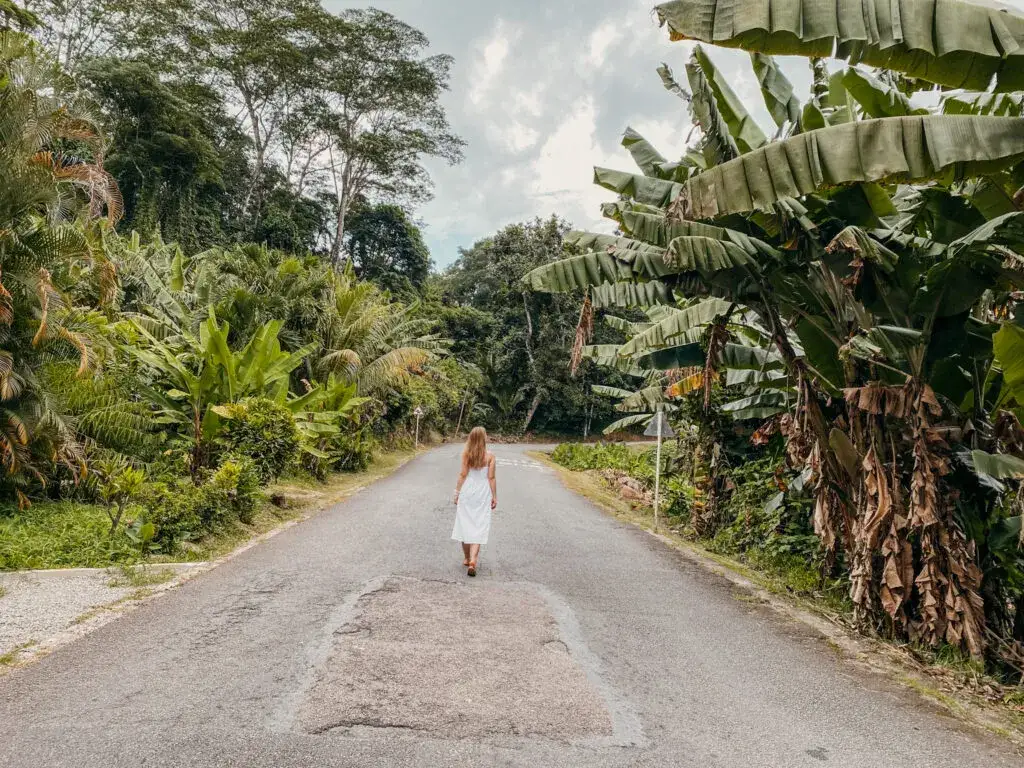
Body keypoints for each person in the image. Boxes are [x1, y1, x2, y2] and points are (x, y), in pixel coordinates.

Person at [452, 426, 496, 577]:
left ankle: (466, 558)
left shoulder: (466, 455)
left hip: (468, 491)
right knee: (478, 525)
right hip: (483, 493)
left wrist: (457, 493)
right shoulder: (490, 457)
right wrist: (494, 496)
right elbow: (491, 478)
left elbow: (463, 475)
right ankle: (473, 561)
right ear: (484, 439)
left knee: (465, 524)